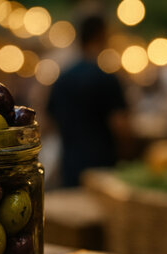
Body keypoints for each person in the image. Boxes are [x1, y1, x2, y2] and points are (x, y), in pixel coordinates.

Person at [47, 15, 131, 187]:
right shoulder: (106, 79)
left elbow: (49, 120)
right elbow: (120, 125)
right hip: (102, 167)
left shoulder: (62, 78)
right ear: (101, 35)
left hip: (70, 164)